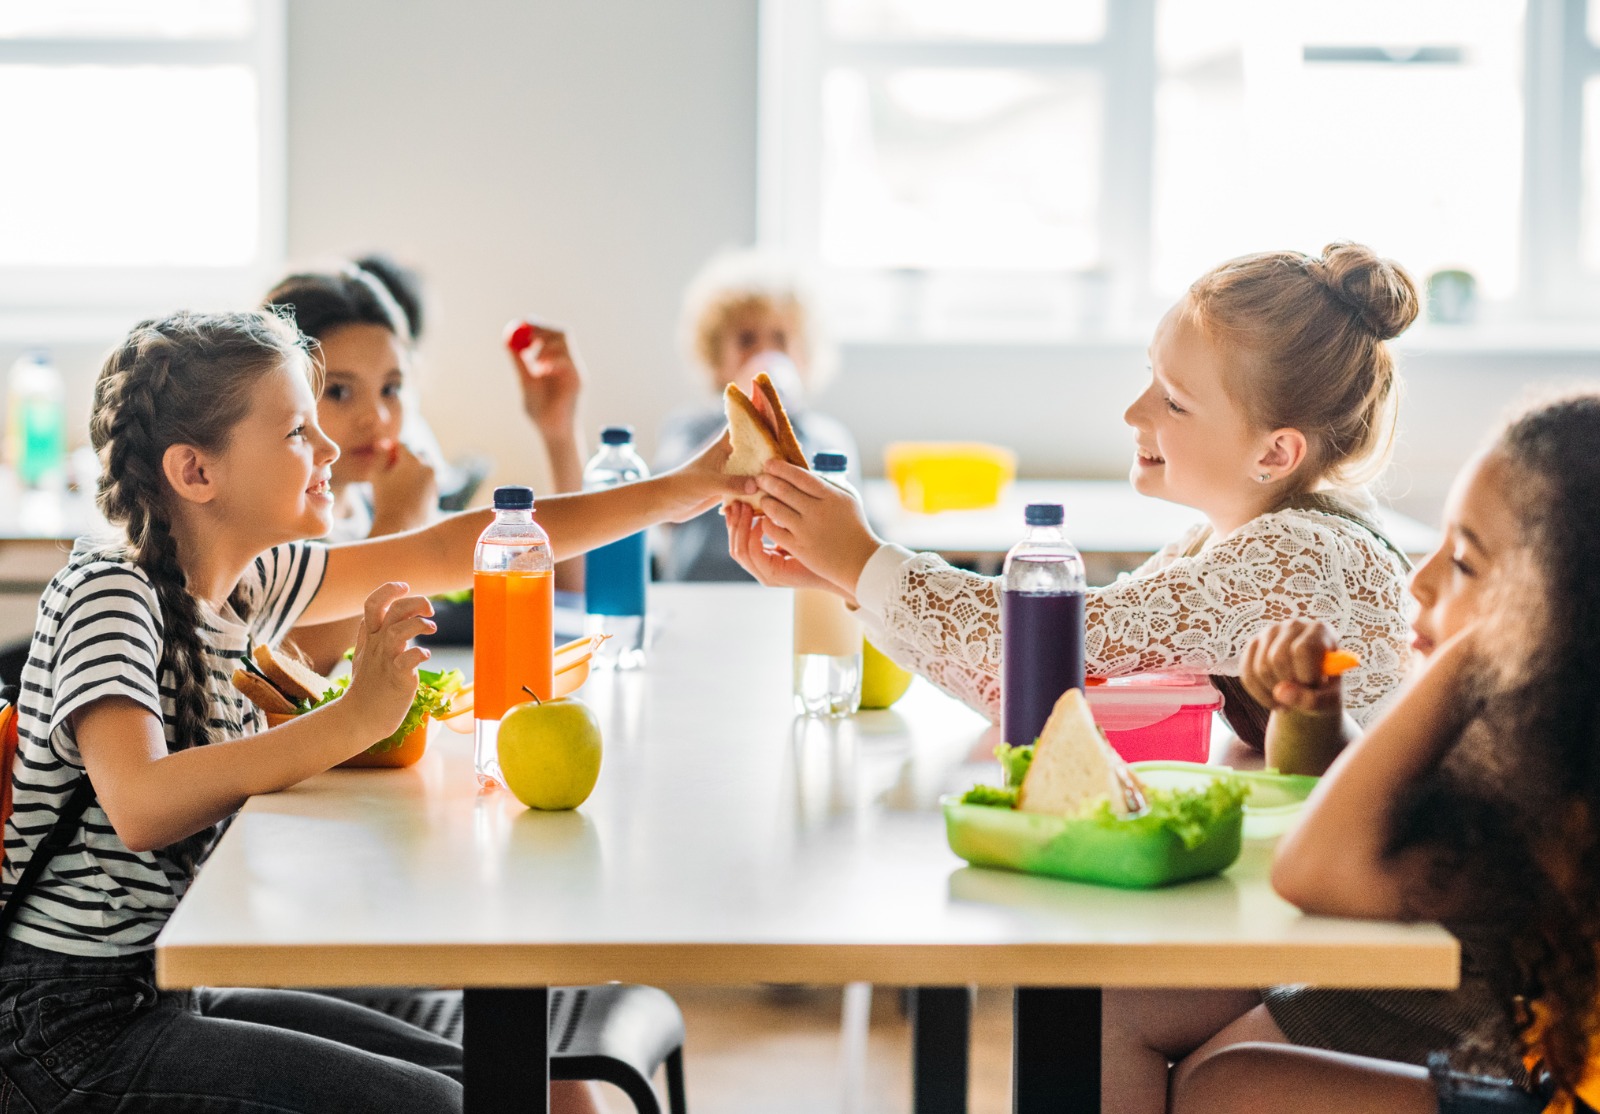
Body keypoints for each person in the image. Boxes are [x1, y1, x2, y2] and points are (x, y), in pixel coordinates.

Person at [0, 309, 741, 1113]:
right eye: (294, 432)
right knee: (437, 1108)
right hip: (64, 1030)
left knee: (500, 1083)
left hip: (161, 992)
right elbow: (140, 802)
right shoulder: (112, 591)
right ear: (195, 473)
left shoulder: (245, 580)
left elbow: (455, 547)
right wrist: (353, 718)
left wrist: (680, 493)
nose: (325, 451)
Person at [1106, 392, 1600, 1114]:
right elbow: (1364, 821)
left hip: (1545, 1085)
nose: (1419, 582)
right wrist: (1311, 718)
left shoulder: (1561, 807)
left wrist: (1474, 649)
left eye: (1463, 563)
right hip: (1477, 1018)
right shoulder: (1519, 741)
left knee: (1231, 1090)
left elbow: (1317, 869)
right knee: (1116, 1003)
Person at [728, 242, 1419, 745]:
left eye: (1174, 403)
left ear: (1275, 452)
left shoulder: (1298, 558)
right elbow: (1040, 687)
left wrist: (860, 560)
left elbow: (1063, 639)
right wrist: (844, 575)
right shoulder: (1217, 542)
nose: (1134, 414)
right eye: (1150, 377)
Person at [263, 264, 588, 667]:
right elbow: (290, 675)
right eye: (340, 391)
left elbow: (560, 594)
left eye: (391, 388)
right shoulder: (269, 527)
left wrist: (559, 432)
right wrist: (399, 521)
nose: (377, 416)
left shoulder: (370, 500)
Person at [656, 248, 858, 581]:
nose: (765, 353)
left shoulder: (827, 437)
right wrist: (745, 423)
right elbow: (665, 501)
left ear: (804, 356)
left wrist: (784, 428)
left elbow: (852, 530)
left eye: (780, 339)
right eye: (747, 339)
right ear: (716, 360)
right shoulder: (690, 428)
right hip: (701, 590)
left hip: (792, 595)